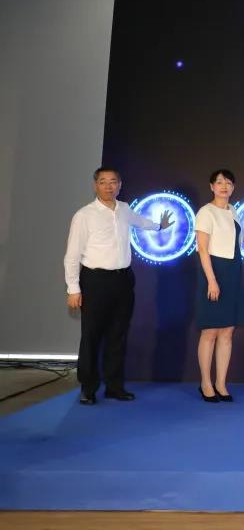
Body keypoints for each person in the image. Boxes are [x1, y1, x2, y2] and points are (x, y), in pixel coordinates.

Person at [63, 167, 174, 405]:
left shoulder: (124, 209)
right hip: (95, 281)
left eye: (113, 182)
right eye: (103, 182)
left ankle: (114, 387)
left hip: (123, 280)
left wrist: (159, 226)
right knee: (91, 336)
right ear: (95, 185)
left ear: (120, 185)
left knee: (118, 335)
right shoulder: (84, 215)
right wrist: (73, 288)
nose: (108, 186)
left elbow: (141, 222)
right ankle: (88, 388)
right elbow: (72, 255)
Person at [193, 168, 244, 403]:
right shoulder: (206, 212)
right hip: (214, 271)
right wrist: (212, 280)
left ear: (233, 187)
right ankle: (205, 383)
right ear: (211, 186)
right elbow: (203, 248)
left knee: (227, 331)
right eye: (219, 182)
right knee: (210, 331)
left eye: (228, 183)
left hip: (233, 272)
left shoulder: (233, 211)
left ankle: (221, 383)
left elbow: (236, 238)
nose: (224, 186)